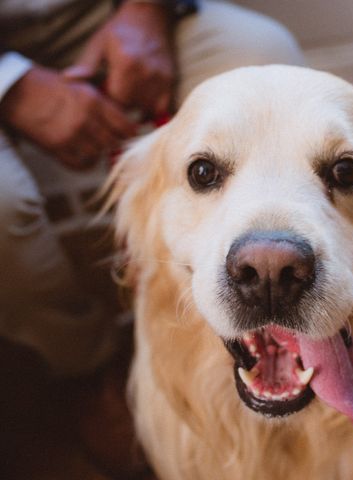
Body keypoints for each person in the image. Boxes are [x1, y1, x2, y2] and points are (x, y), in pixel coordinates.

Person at [0, 0, 304, 475]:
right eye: (203, 173)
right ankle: (88, 365)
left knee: (264, 53)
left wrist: (145, 10)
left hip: (98, 11)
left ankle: (260, 334)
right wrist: (12, 87)